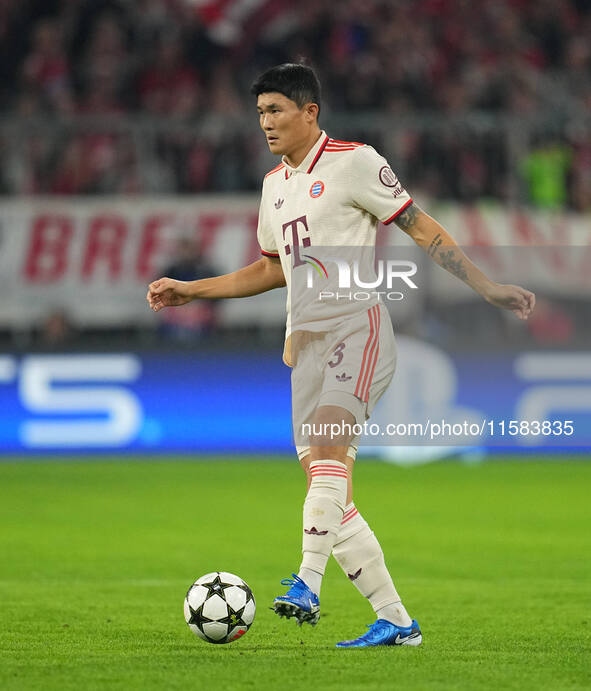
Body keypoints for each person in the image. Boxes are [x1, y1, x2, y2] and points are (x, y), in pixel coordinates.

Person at [147, 63, 535, 648]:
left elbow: (421, 227)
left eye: (276, 111)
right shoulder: (274, 185)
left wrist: (488, 287)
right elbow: (270, 270)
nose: (266, 124)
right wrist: (191, 289)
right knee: (330, 491)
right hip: (303, 343)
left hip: (358, 325)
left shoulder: (355, 161)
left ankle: (306, 582)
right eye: (260, 113)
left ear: (310, 112)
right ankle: (397, 621)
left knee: (329, 452)